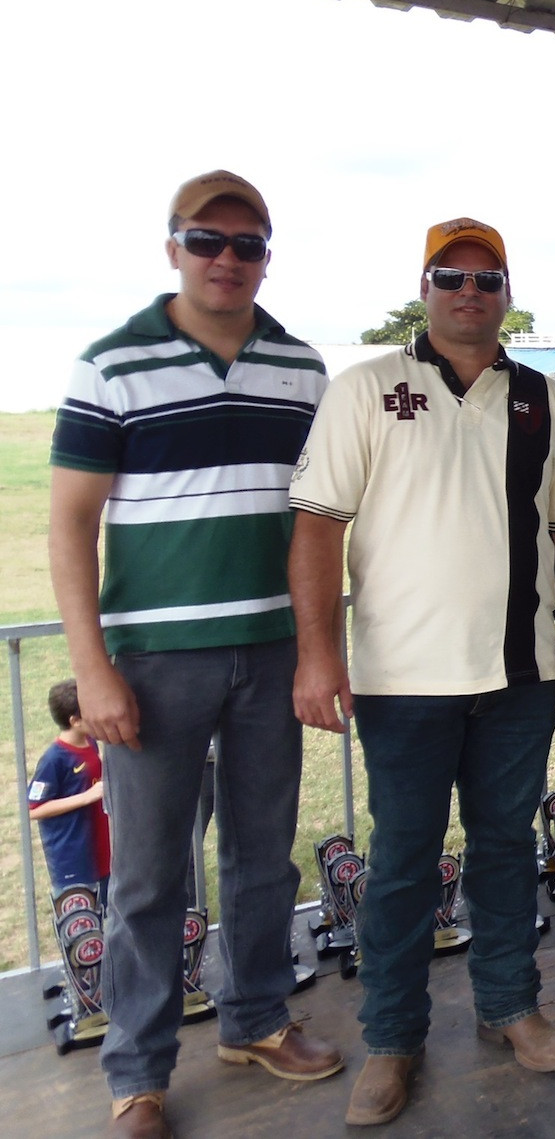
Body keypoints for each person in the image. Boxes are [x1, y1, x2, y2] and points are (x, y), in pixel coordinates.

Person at [289, 217, 555, 1126]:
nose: (470, 291)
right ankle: (392, 1038)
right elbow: (317, 524)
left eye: (487, 277)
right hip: (401, 682)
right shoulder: (366, 388)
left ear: (507, 292)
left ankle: (511, 1006)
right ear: (424, 287)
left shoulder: (543, 399)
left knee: (506, 849)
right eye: (451, 276)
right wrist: (318, 652)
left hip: (519, 675)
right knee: (401, 862)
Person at [49, 170, 341, 1139]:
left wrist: (317, 650)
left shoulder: (301, 368)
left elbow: (319, 519)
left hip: (271, 651)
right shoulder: (111, 364)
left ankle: (254, 1018)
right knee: (146, 876)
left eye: (247, 244)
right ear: (171, 246)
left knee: (262, 854)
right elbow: (69, 525)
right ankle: (137, 1073)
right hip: (153, 664)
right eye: (206, 240)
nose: (226, 259)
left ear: (266, 256)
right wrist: (93, 669)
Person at [28, 679, 111, 898]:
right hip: (74, 860)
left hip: (101, 850)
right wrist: (86, 797)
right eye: (91, 712)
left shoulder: (90, 741)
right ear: (74, 721)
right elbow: (34, 809)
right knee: (82, 915)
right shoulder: (54, 760)